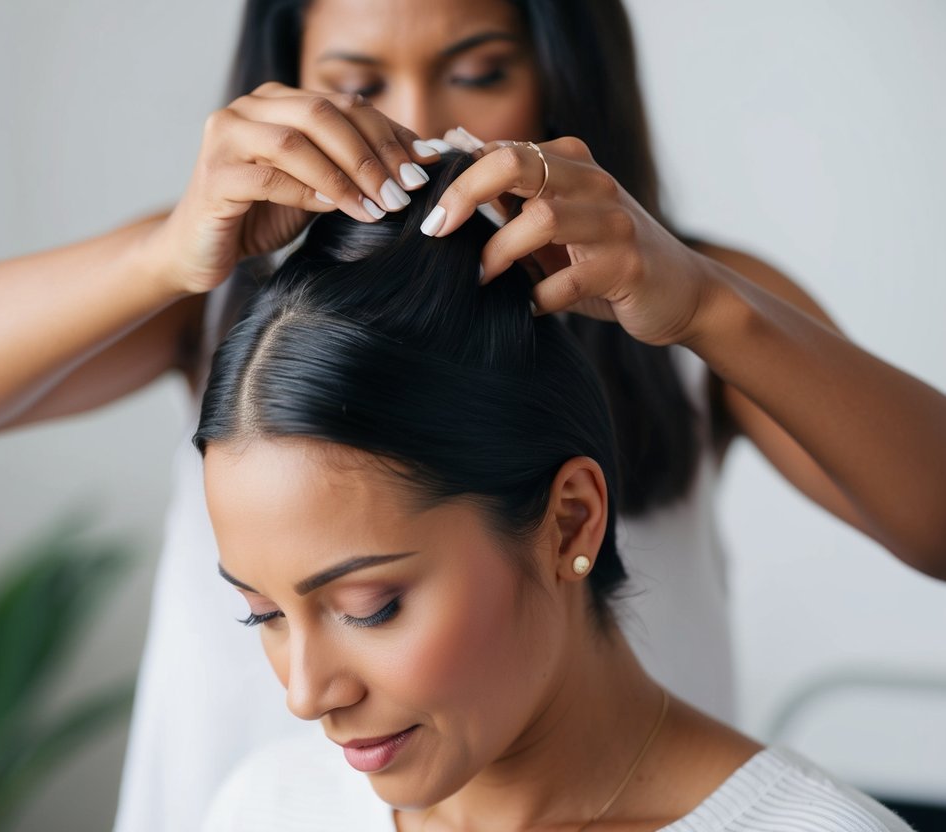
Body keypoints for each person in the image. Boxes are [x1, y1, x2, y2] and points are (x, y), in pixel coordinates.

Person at [0, 1, 946, 829]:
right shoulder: (223, 293)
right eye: (355, 80)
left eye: (477, 71)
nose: (418, 126)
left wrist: (705, 302)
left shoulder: (683, 302)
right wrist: (167, 249)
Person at [195, 152, 915, 831]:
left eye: (370, 609)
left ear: (569, 522)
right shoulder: (266, 807)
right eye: (263, 615)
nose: (305, 695)